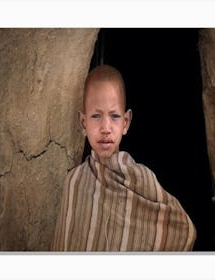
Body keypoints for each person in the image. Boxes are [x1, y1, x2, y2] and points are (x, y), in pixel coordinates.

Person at [50, 64, 196, 251]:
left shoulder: (142, 179)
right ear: (83, 123)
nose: (105, 127)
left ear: (126, 122)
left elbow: (184, 231)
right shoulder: (74, 182)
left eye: (114, 116)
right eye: (96, 116)